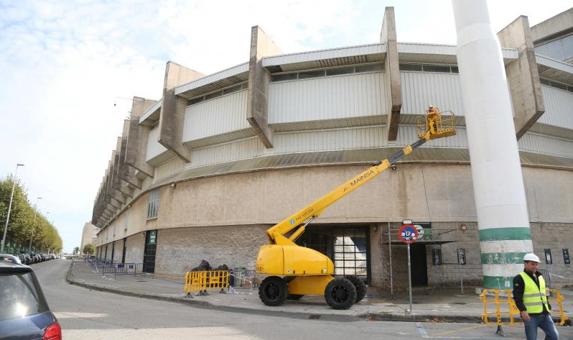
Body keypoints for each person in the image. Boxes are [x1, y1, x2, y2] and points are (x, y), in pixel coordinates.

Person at [513, 253, 559, 340]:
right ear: (525, 264)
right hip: (530, 316)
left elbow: (544, 294)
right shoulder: (519, 278)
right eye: (532, 264)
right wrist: (522, 310)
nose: (535, 266)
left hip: (545, 314)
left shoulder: (540, 276)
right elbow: (517, 297)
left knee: (554, 336)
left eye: (536, 264)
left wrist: (547, 306)